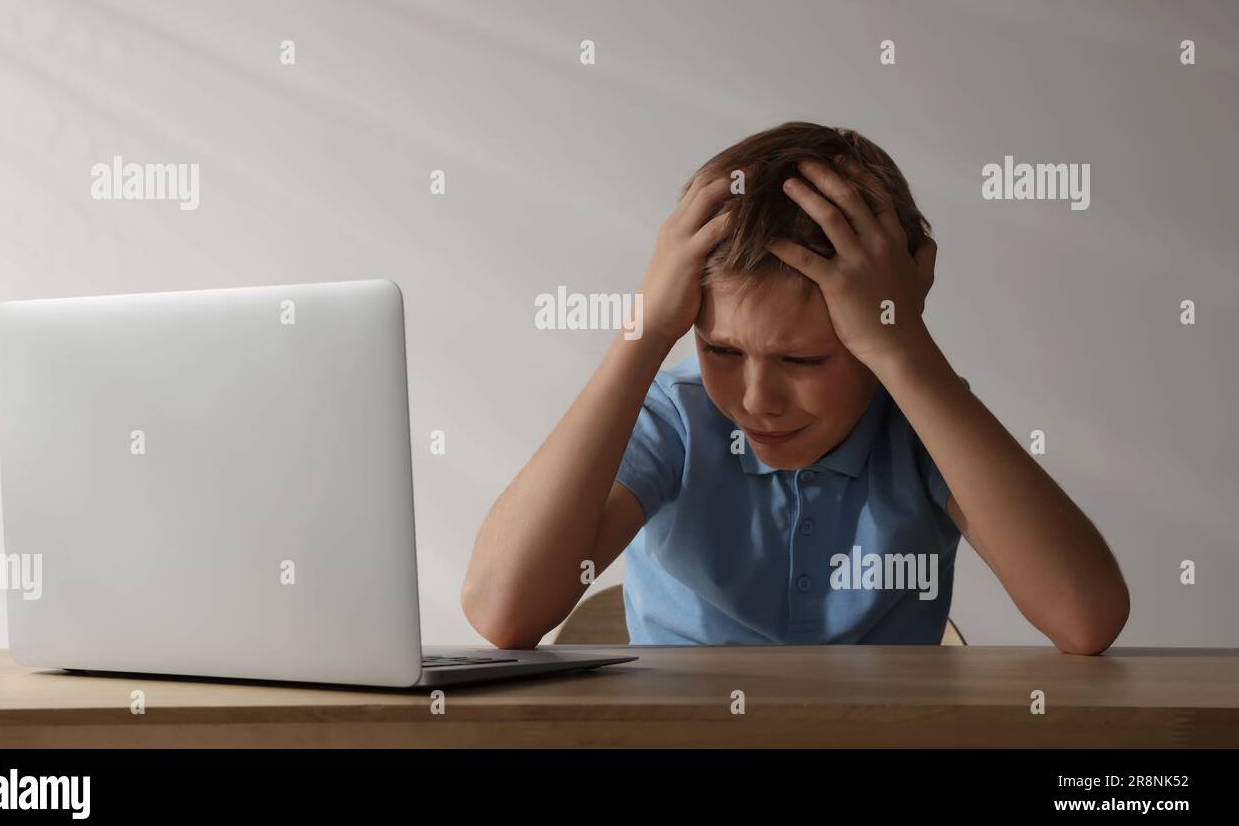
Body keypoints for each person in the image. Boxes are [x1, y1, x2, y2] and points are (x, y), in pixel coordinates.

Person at [462, 121, 1129, 653]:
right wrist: (642, 334)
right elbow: (503, 610)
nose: (756, 399)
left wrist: (905, 347)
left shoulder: (920, 423)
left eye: (804, 360)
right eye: (720, 348)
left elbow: (1086, 617)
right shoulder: (677, 419)